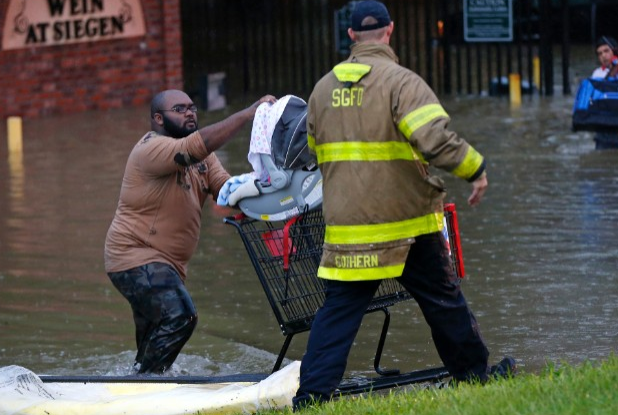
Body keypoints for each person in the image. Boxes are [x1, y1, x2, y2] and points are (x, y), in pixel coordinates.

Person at [292, 1, 515, 409]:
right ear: (390, 31)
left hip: (348, 230)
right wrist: (476, 169)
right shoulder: (402, 83)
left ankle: (310, 398)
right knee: (443, 299)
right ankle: (474, 377)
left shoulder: (321, 91)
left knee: (338, 314)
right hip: (407, 225)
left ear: (351, 35)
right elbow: (436, 140)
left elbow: (312, 149)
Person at [104, 90, 276, 374]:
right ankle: (146, 384)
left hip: (165, 265)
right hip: (133, 257)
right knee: (181, 317)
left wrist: (272, 195)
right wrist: (248, 113)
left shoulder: (202, 157)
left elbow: (224, 189)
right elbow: (198, 145)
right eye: (179, 109)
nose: (189, 113)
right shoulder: (150, 149)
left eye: (192, 108)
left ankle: (138, 385)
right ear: (159, 119)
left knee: (153, 338)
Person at [591, 36, 618, 149]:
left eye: (606, 51)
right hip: (605, 126)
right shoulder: (597, 73)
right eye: (600, 53)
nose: (603, 56)